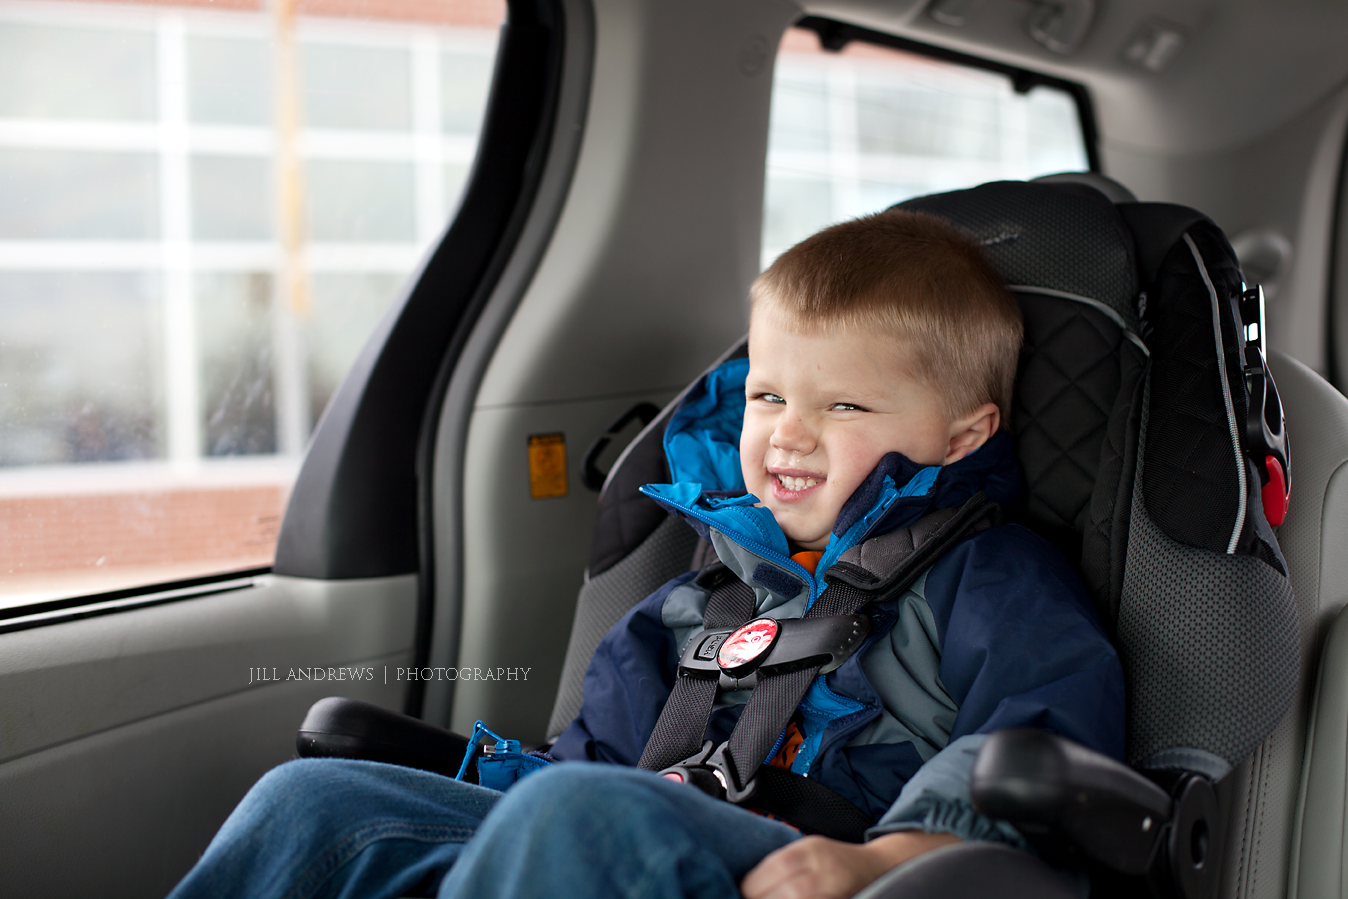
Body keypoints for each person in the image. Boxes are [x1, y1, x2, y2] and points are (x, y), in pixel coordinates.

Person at [167, 209, 1124, 899]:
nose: (789, 434)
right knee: (311, 801)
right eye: (767, 396)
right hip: (632, 839)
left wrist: (891, 858)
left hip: (840, 867)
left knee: (581, 815)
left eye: (844, 405)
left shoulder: (991, 578)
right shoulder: (695, 601)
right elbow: (586, 767)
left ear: (963, 435)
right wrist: (498, 783)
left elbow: (1035, 745)